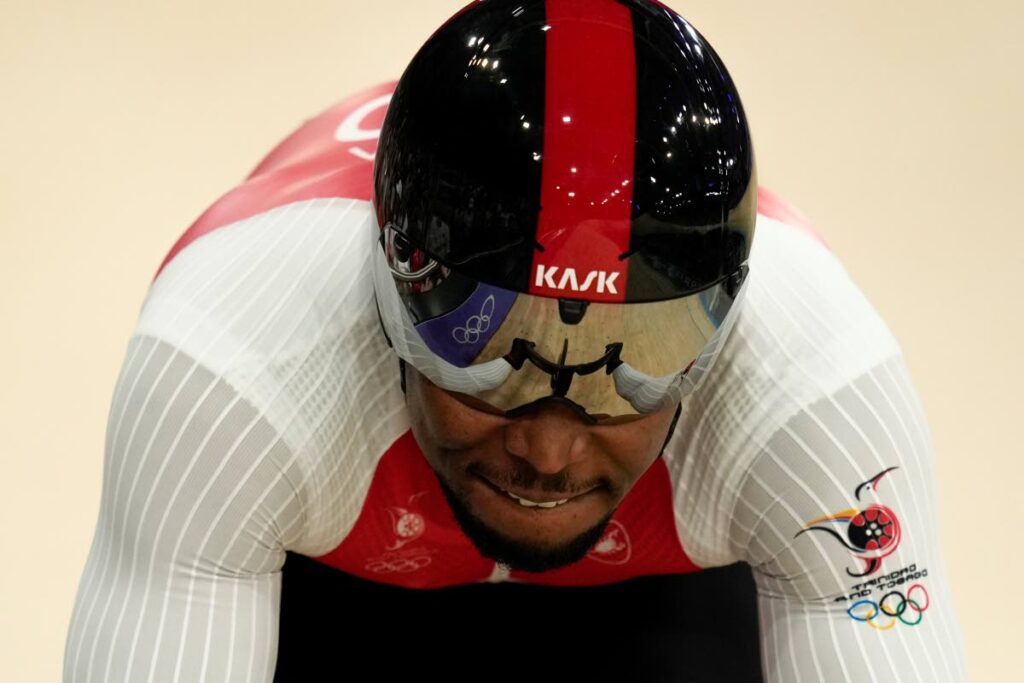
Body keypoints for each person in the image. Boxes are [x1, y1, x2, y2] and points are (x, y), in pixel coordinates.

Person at [63, 1, 969, 680]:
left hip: (641, 604)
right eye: (488, 356)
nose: (548, 448)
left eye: (633, 371)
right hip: (339, 588)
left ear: (725, 330)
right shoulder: (236, 367)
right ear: (384, 292)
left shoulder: (810, 389)